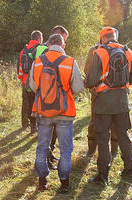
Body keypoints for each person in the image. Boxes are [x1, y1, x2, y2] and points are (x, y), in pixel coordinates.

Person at [29, 34, 84, 193]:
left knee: (42, 147)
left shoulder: (38, 61)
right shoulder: (70, 61)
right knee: (65, 149)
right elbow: (78, 88)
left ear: (48, 44)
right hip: (65, 113)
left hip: (43, 111)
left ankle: (42, 182)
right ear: (62, 45)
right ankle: (64, 184)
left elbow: (33, 87)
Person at [85, 27, 132, 184]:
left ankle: (103, 175)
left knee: (103, 137)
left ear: (102, 39)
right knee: (123, 136)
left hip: (103, 104)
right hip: (122, 102)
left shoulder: (98, 52)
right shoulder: (128, 52)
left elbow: (92, 81)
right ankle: (129, 169)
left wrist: (88, 82)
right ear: (115, 37)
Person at [30, 25, 70, 170]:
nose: (64, 43)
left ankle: (48, 156)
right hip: (50, 100)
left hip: (43, 98)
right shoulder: (47, 51)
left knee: (49, 133)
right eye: (64, 38)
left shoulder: (42, 49)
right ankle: (46, 159)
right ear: (59, 36)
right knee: (49, 134)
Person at [84, 40, 119, 159]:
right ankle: (107, 151)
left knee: (96, 120)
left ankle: (94, 151)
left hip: (99, 93)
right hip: (115, 94)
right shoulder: (121, 51)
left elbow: (87, 71)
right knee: (109, 121)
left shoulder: (94, 50)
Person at [18, 30, 43, 134]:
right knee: (36, 103)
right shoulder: (40, 49)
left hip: (25, 80)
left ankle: (27, 124)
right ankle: (36, 126)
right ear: (39, 39)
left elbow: (19, 67)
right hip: (36, 80)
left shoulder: (23, 50)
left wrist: (22, 79)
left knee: (26, 102)